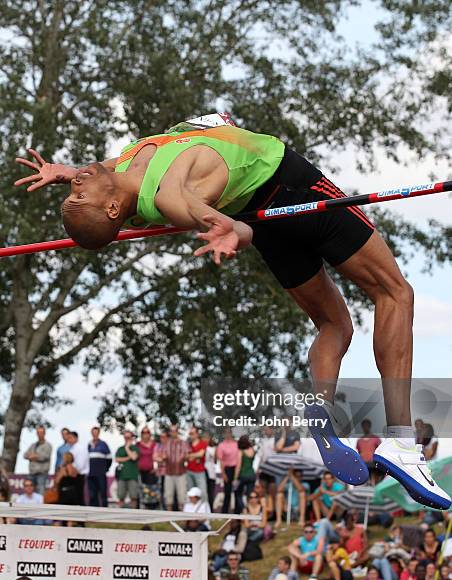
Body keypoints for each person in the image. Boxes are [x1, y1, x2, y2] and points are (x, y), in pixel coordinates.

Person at [15, 117, 450, 510]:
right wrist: (234, 230)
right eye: (79, 192)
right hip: (288, 184)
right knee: (395, 294)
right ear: (112, 210)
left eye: (74, 190)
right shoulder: (165, 195)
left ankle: (318, 408)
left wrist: (67, 174)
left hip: (260, 208)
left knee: (333, 323)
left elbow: (107, 174)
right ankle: (401, 444)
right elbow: (196, 210)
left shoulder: (124, 170)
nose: (77, 185)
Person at [162, 424, 188, 511]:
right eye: (171, 431)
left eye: (175, 431)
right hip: (169, 472)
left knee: (182, 496)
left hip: (181, 473)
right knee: (168, 496)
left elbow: (187, 455)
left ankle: (182, 517)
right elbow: (163, 455)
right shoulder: (167, 443)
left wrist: (183, 458)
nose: (173, 433)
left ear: (177, 431)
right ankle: (169, 518)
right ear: (170, 432)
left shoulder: (183, 443)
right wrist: (163, 458)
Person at [23, 425, 52, 495]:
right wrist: (33, 456)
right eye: (38, 432)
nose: (39, 434)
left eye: (41, 432)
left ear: (44, 433)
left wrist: (33, 456)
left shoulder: (48, 445)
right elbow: (25, 455)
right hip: (32, 473)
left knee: (40, 493)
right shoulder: (33, 445)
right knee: (29, 493)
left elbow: (45, 457)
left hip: (41, 473)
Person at [115, 428, 140, 508]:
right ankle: (120, 516)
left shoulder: (135, 448)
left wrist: (127, 448)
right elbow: (117, 459)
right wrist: (128, 457)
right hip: (121, 476)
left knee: (133, 497)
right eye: (125, 437)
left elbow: (134, 458)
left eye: (128, 437)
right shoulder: (119, 449)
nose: (127, 439)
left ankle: (134, 515)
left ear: (132, 438)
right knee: (121, 496)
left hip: (132, 476)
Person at [88, 426, 112, 507]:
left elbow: (109, 459)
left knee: (103, 494)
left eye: (96, 432)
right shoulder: (89, 445)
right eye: (93, 432)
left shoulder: (103, 444)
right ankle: (93, 514)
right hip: (91, 474)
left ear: (98, 433)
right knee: (92, 495)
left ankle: (104, 513)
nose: (95, 434)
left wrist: (105, 469)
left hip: (101, 473)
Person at [217, 429, 240, 513]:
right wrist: (223, 473)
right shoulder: (221, 445)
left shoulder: (236, 444)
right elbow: (221, 461)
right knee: (227, 492)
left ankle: (238, 512)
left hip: (237, 469)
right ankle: (225, 512)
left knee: (237, 491)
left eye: (229, 433)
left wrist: (237, 473)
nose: (228, 434)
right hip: (227, 470)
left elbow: (239, 458)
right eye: (226, 433)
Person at [66, 430, 89, 505]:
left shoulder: (80, 448)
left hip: (79, 475)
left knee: (79, 496)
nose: (68, 440)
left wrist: (73, 470)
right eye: (68, 438)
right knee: (74, 497)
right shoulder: (72, 449)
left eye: (70, 437)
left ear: (76, 438)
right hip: (73, 475)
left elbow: (80, 465)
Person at [234, 435, 256, 514]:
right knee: (249, 495)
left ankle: (243, 509)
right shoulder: (252, 450)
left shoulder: (241, 452)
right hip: (252, 474)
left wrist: (235, 478)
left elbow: (238, 466)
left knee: (238, 494)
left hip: (243, 475)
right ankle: (251, 511)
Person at [186, 426, 208, 500]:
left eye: (192, 433)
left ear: (197, 434)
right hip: (189, 471)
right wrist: (195, 455)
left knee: (203, 493)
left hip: (200, 472)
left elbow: (201, 454)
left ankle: (204, 510)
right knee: (190, 493)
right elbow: (185, 456)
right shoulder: (188, 444)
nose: (191, 435)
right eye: (190, 433)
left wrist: (191, 455)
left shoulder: (203, 443)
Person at [356, 419, 382, 484]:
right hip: (364, 464)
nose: (365, 428)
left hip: (373, 463)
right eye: (364, 426)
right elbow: (359, 451)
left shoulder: (376, 439)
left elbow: (380, 450)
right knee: (366, 480)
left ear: (370, 426)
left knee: (375, 480)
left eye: (367, 426)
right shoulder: (359, 440)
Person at [204, 433, 218, 511]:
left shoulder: (213, 448)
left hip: (211, 473)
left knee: (210, 493)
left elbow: (215, 461)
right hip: (202, 472)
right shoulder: (202, 448)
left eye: (207, 438)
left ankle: (210, 510)